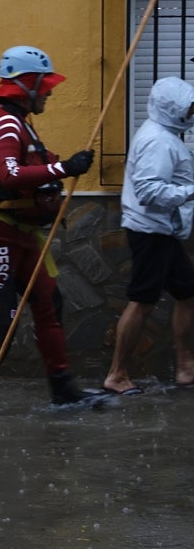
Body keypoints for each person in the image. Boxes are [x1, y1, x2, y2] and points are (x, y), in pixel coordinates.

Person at [0, 45, 97, 417]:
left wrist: (58, 169)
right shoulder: (6, 123)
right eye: (46, 85)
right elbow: (10, 175)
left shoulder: (13, 119)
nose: (50, 92)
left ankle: (63, 389)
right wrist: (66, 169)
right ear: (28, 84)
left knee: (48, 302)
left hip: (20, 233)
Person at [103, 76, 194, 395]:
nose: (193, 112)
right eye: (189, 108)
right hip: (151, 231)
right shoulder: (159, 141)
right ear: (173, 109)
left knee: (186, 293)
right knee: (142, 301)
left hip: (162, 231)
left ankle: (186, 366)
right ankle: (117, 374)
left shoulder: (165, 136)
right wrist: (191, 191)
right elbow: (148, 190)